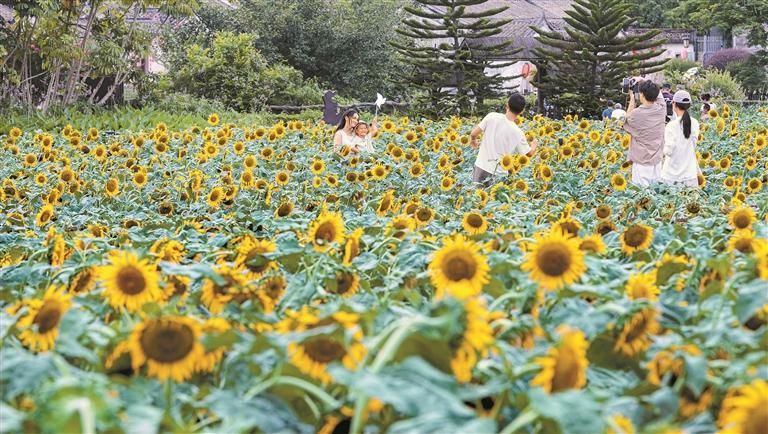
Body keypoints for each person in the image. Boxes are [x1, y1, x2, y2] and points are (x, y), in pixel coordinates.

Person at [469, 92, 537, 186]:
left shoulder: (492, 116)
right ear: (521, 111)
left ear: (507, 105)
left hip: (481, 167)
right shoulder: (518, 133)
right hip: (499, 174)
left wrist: (473, 140)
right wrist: (533, 146)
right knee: (495, 200)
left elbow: (473, 133)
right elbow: (528, 154)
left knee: (476, 198)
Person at [622, 79, 666, 186]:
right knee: (656, 194)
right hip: (657, 160)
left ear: (641, 94)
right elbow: (659, 96)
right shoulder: (661, 108)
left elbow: (626, 119)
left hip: (642, 161)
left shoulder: (637, 114)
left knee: (641, 196)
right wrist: (644, 80)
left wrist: (632, 99)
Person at [661, 90, 700, 187]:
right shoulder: (695, 123)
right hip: (690, 175)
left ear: (674, 104)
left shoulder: (671, 125)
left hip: (671, 176)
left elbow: (668, 151)